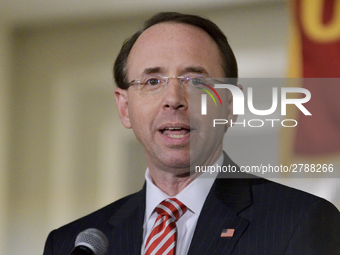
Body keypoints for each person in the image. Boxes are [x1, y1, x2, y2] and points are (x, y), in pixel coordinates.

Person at [43, 12, 340, 255]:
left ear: (230, 105)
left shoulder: (302, 221)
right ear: (124, 108)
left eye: (196, 80)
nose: (174, 98)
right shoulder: (71, 245)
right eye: (152, 81)